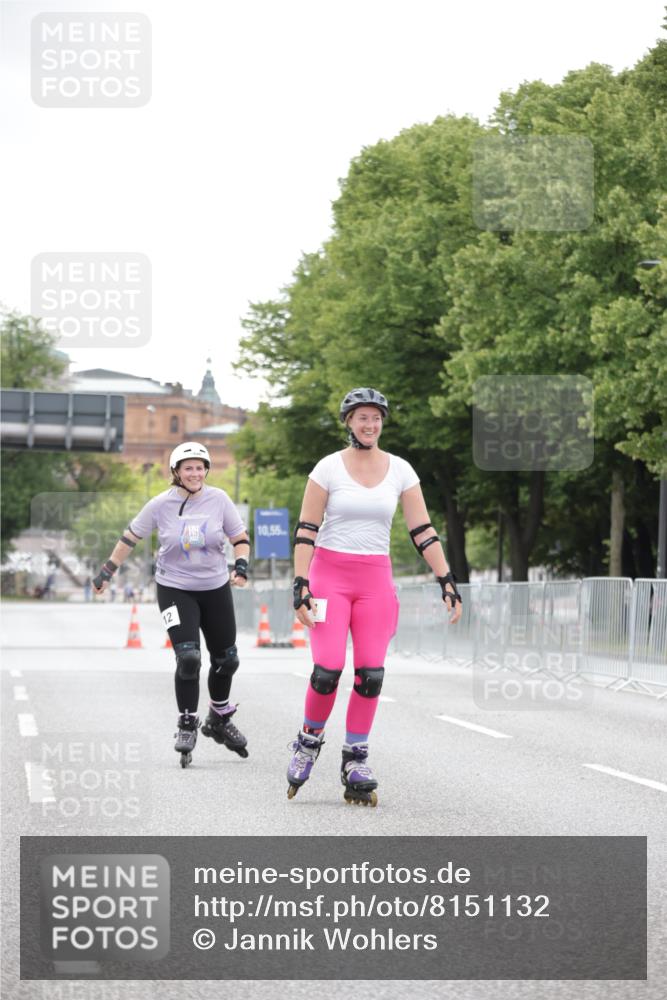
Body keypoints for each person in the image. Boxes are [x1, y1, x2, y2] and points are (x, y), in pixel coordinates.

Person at [286, 388, 462, 806]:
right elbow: (307, 530)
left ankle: (355, 758)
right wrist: (301, 582)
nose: (370, 424)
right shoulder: (328, 468)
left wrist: (446, 579)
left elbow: (423, 530)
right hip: (330, 576)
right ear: (349, 421)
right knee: (327, 670)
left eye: (376, 418)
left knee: (371, 676)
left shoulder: (401, 470)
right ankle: (308, 742)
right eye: (362, 417)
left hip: (374, 580)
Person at [92, 442, 251, 768]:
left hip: (215, 587)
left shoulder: (219, 499)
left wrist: (241, 566)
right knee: (189, 657)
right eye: (188, 468)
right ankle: (187, 723)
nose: (195, 473)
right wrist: (107, 570)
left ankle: (219, 717)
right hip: (174, 589)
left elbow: (240, 539)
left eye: (200, 467)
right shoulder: (160, 504)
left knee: (227, 659)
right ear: (176, 472)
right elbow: (129, 538)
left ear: (206, 470)